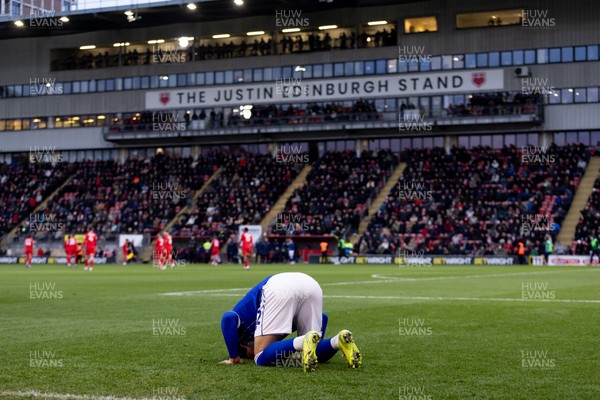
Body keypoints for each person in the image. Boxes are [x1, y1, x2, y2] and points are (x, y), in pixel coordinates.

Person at [219, 272, 361, 372]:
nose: (248, 354)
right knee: (313, 352)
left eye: (244, 352)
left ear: (241, 344)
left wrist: (234, 357)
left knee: (260, 356)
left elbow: (228, 318)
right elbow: (323, 317)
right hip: (311, 284)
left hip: (277, 287)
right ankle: (338, 341)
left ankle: (302, 341)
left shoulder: (241, 329)